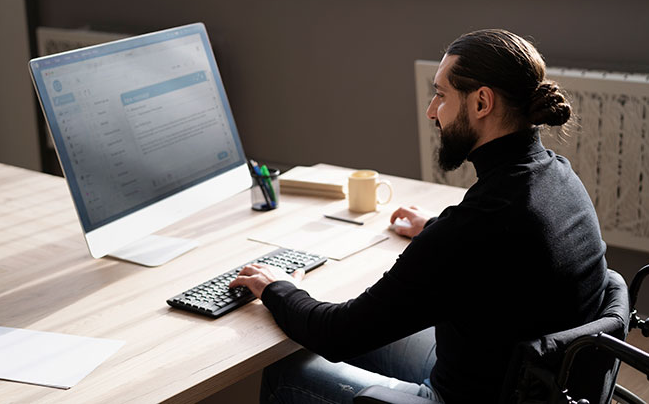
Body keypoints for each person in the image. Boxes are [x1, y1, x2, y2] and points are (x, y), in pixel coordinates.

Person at [229, 29, 609, 403]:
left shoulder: (473, 228)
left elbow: (337, 334)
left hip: (462, 394)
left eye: (441, 95)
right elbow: (506, 251)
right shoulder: (559, 176)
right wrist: (433, 227)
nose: (432, 111)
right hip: (527, 381)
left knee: (287, 369)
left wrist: (276, 287)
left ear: (481, 103)